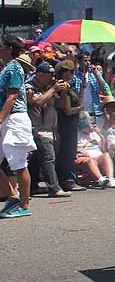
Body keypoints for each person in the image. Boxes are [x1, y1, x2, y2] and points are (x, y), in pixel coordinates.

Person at [0, 38, 36, 218]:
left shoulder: (14, 68)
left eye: (1, 46)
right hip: (6, 118)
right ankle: (13, 195)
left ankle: (24, 204)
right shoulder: (6, 68)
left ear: (9, 49)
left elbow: (12, 96)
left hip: (14, 119)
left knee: (19, 164)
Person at [26, 60, 70, 198]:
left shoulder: (49, 87)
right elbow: (37, 102)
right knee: (48, 158)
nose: (52, 78)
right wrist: (53, 89)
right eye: (49, 75)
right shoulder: (30, 86)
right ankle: (54, 188)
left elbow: (61, 105)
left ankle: (32, 187)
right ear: (40, 74)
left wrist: (64, 92)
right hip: (37, 128)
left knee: (36, 160)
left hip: (50, 129)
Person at [54, 59, 84, 192]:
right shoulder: (62, 87)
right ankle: (67, 180)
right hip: (66, 122)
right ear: (64, 72)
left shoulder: (68, 86)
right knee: (67, 152)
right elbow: (66, 110)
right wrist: (80, 108)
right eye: (71, 71)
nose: (72, 74)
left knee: (70, 151)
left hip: (70, 122)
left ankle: (68, 178)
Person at [75, 113, 115, 188]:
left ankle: (111, 179)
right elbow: (73, 150)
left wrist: (100, 135)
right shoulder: (77, 135)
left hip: (98, 156)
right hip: (84, 157)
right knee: (90, 160)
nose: (91, 128)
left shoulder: (95, 134)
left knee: (106, 155)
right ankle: (101, 179)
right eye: (89, 126)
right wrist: (81, 153)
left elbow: (104, 149)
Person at [72, 52, 115, 122]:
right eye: (85, 61)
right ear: (79, 62)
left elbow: (105, 88)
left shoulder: (94, 74)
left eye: (89, 61)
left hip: (94, 111)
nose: (88, 63)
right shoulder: (75, 75)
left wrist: (97, 74)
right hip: (80, 111)